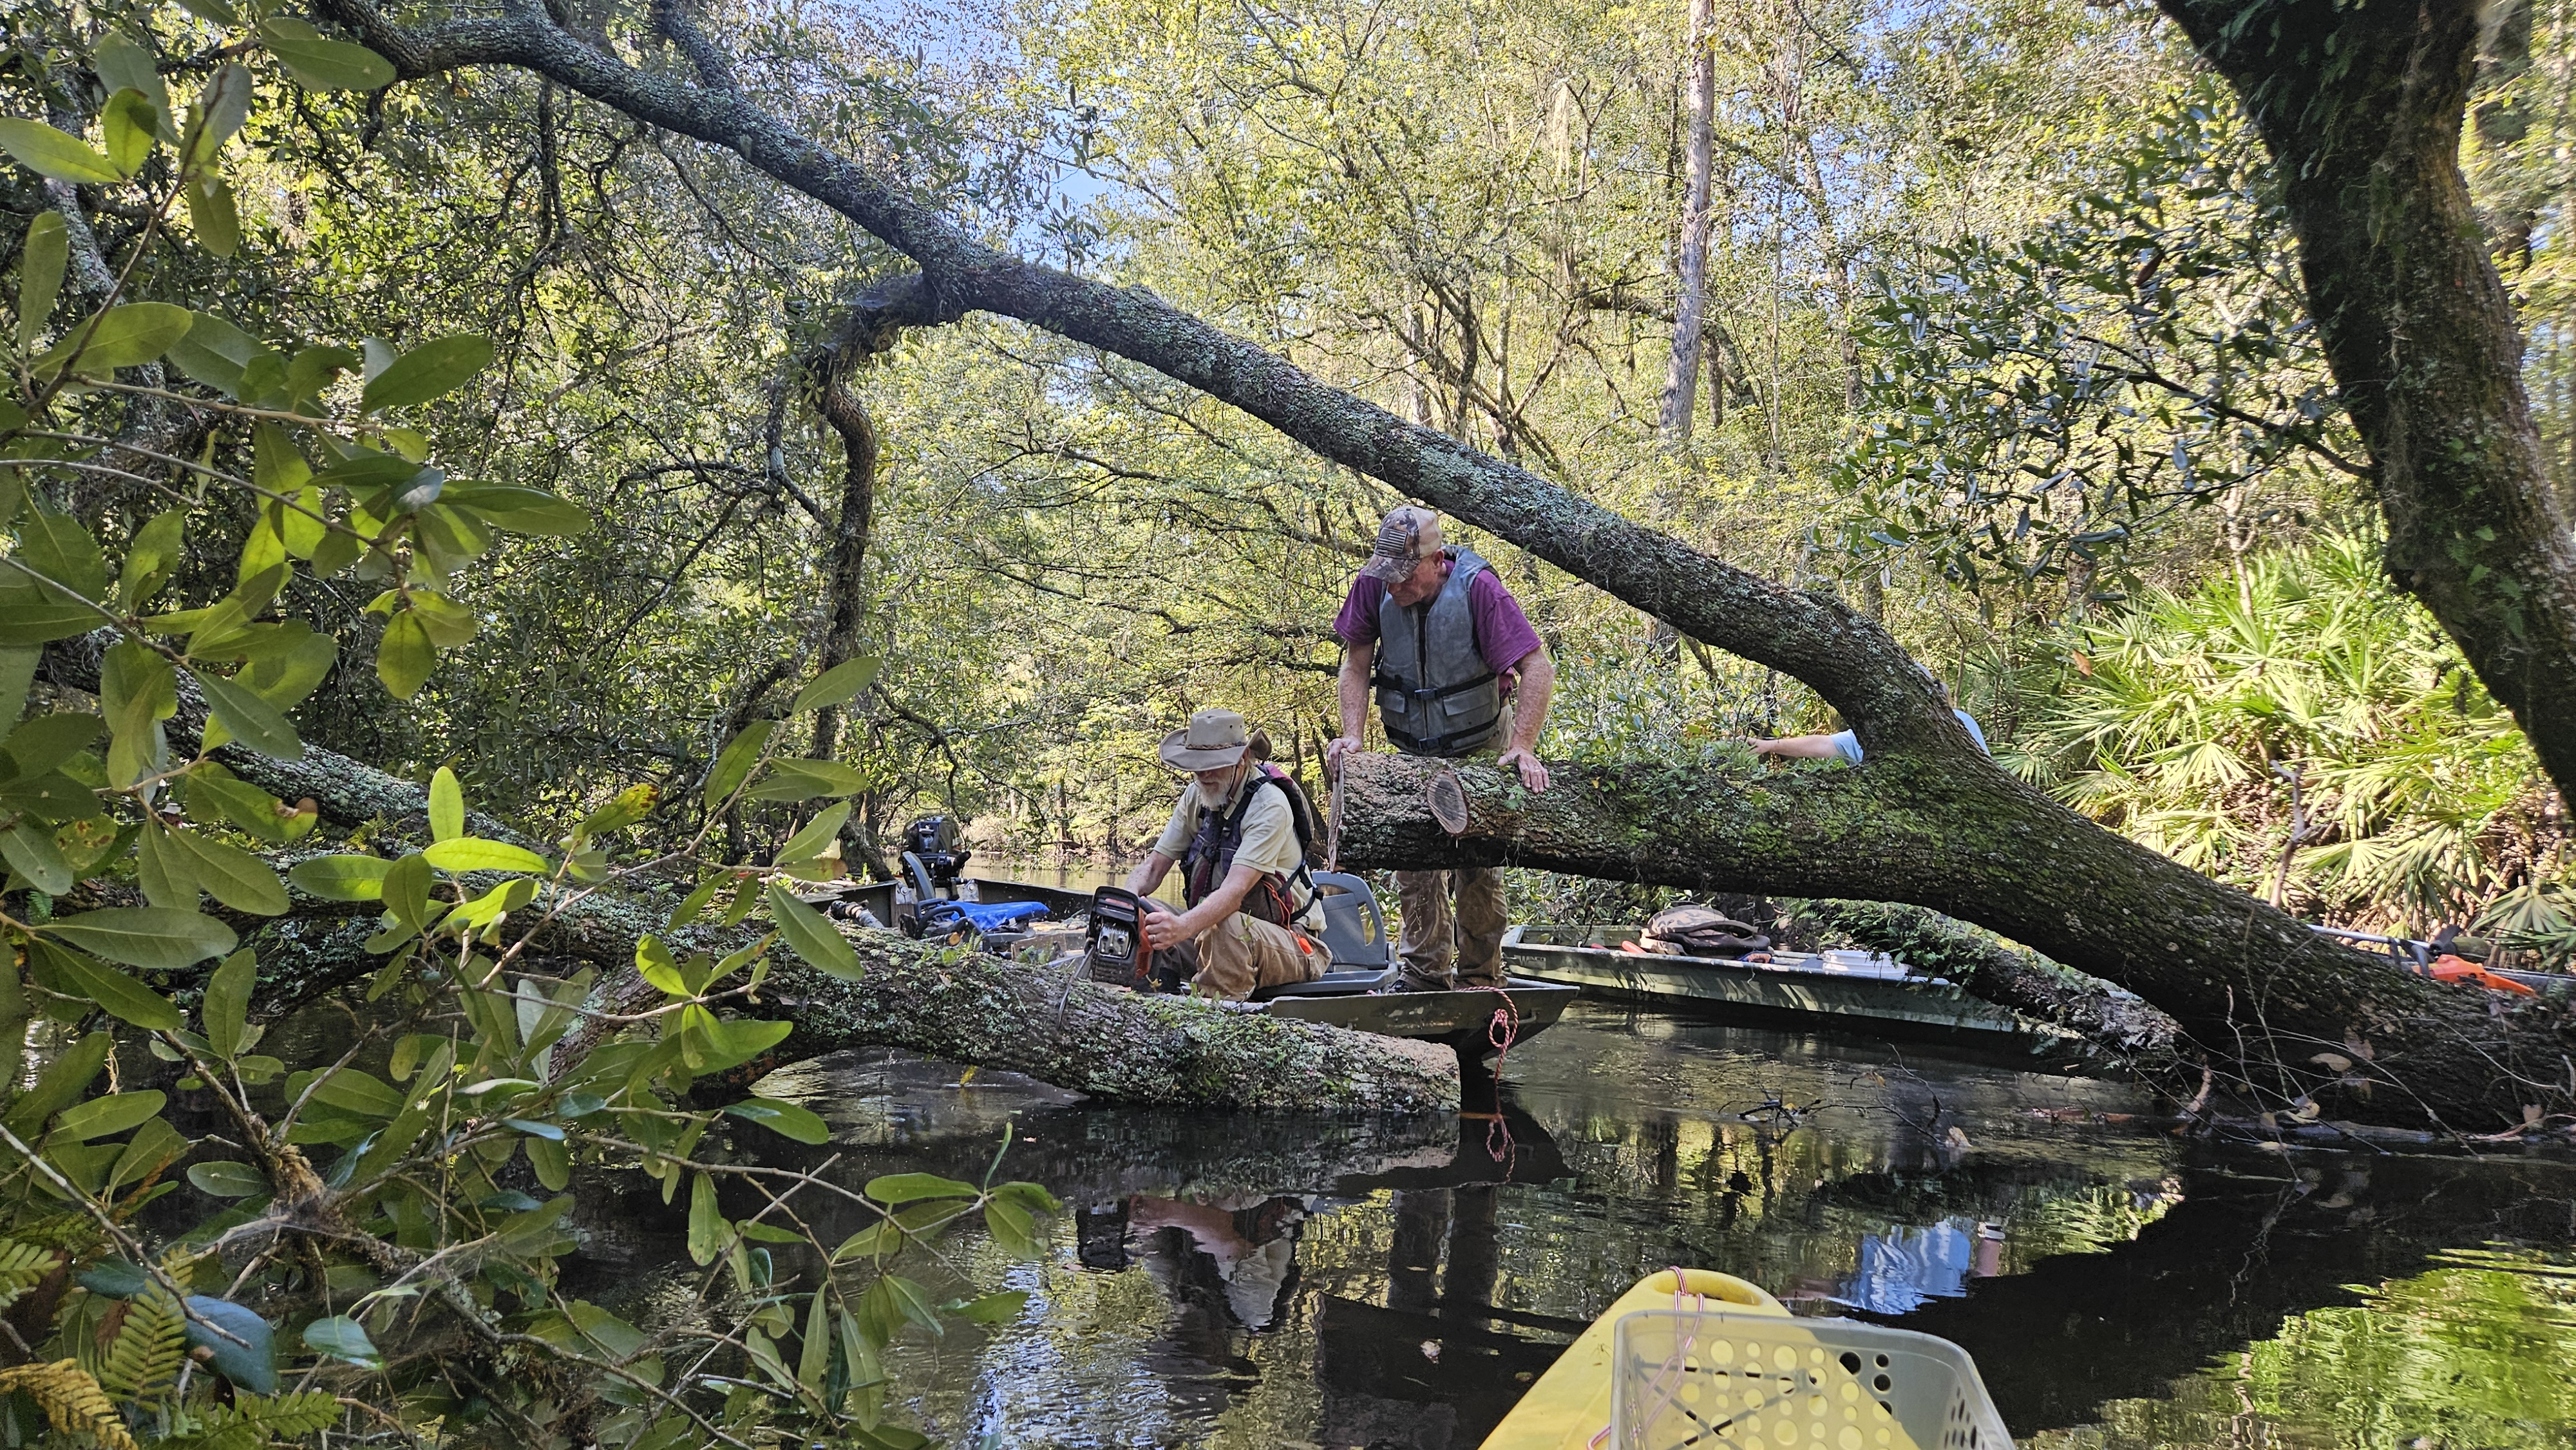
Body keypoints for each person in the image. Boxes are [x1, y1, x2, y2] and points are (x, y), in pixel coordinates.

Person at [1323, 506, 1555, 993]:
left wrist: (1523, 747)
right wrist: (1353, 734)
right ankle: (1424, 977)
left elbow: (1538, 667)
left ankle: (1480, 978)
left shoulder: (1479, 588)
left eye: (1404, 577)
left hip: (1479, 747)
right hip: (1411, 751)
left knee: (1478, 871)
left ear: (1436, 560)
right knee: (1417, 867)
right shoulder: (1375, 583)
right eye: (1388, 576)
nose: (1394, 587)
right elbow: (1356, 666)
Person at [1125, 708, 1327, 999]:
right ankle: (1155, 1002)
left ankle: (1215, 1023)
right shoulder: (1197, 795)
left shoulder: (1269, 806)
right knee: (1149, 914)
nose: (1204, 774)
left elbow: (1234, 893)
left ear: (1242, 760)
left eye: (1214, 764)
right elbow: (1155, 867)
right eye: (1197, 764)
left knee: (1227, 928)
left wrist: (1182, 927)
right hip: (1216, 933)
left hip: (1294, 941)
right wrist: (1130, 901)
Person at [1750, 681, 1990, 762]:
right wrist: (1770, 745)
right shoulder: (1880, 730)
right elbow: (1823, 745)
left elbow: (1983, 769)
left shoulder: (1960, 721)